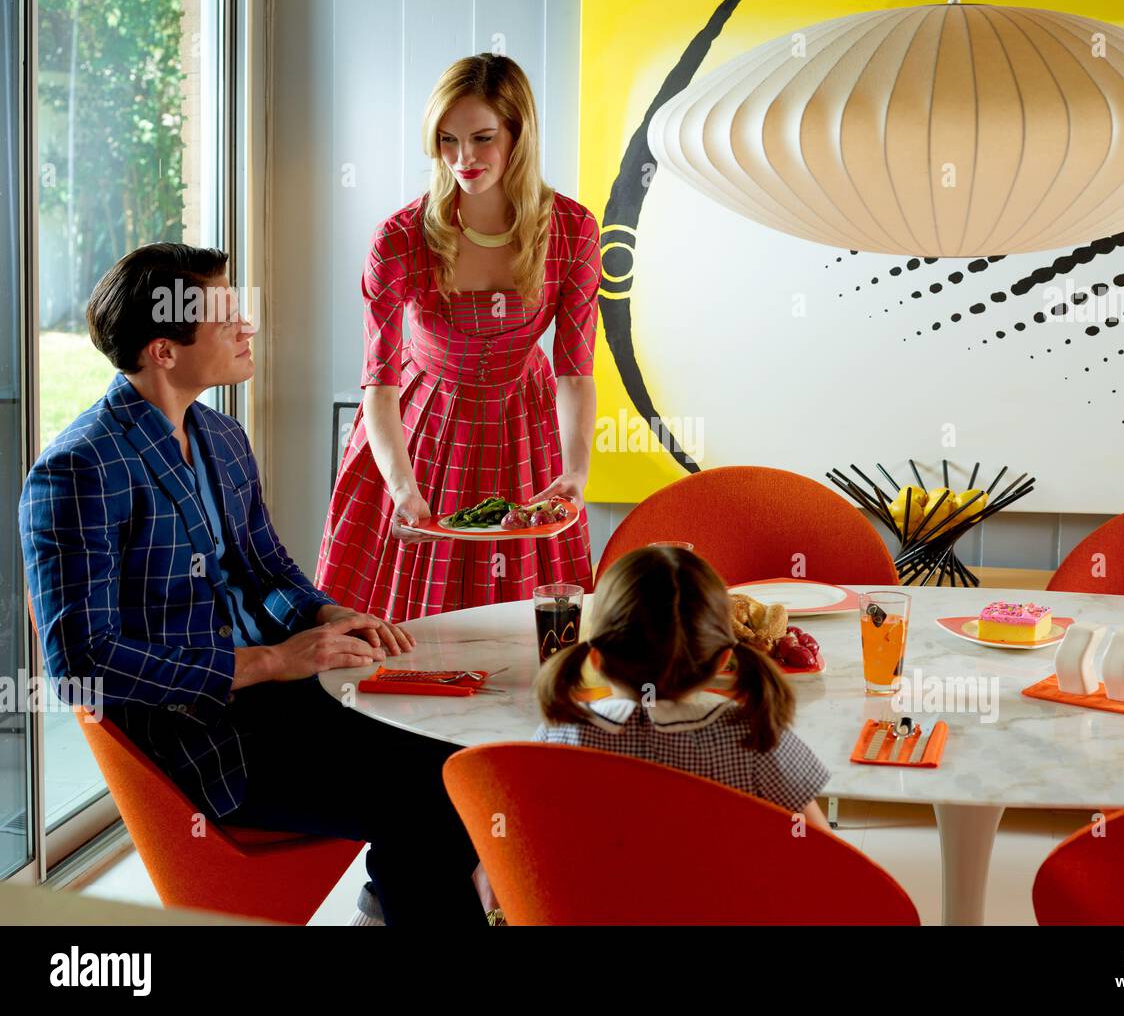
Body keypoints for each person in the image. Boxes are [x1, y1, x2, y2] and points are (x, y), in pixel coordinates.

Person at [19, 243, 484, 926]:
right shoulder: (77, 468)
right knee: (426, 789)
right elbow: (81, 663)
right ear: (163, 350)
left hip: (283, 701)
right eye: (226, 314)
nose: (248, 326)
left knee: (459, 754)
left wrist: (329, 614)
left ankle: (389, 902)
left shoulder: (222, 435)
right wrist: (272, 660)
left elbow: (266, 569)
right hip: (200, 738)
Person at [316, 52, 599, 621]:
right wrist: (402, 488)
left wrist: (575, 471)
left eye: (483, 138)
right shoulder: (398, 239)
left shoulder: (573, 229)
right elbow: (379, 382)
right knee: (396, 628)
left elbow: (574, 368)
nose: (463, 158)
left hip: (524, 422)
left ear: (520, 133)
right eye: (447, 140)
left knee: (527, 626)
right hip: (419, 426)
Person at [534, 546, 833, 828]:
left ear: (596, 659)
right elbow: (828, 860)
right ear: (723, 660)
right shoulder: (760, 741)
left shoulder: (560, 735)